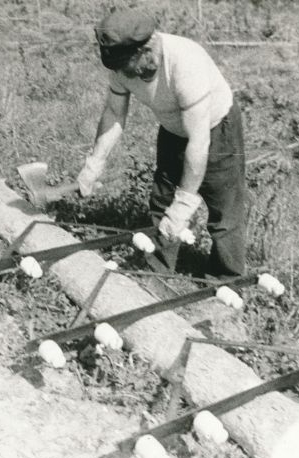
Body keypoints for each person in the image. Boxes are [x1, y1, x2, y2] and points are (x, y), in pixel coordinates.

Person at [76, 8, 248, 278]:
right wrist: (94, 163)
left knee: (224, 210)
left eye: (126, 66)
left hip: (215, 129)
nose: (123, 74)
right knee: (162, 199)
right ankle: (157, 271)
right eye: (118, 67)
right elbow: (113, 113)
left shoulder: (185, 63)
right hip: (172, 128)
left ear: (147, 49)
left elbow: (199, 141)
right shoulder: (121, 63)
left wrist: (185, 204)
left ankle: (226, 279)